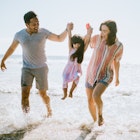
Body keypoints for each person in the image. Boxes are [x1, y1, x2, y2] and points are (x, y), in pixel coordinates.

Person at [0, 11, 73, 117]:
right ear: (27, 24)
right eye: (34, 24)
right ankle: (26, 119)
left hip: (41, 68)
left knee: (43, 94)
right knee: (24, 95)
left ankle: (49, 111)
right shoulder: (19, 35)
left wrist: (67, 30)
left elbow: (59, 38)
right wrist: (3, 59)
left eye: (38, 23)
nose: (37, 26)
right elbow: (12, 48)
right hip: (26, 68)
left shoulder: (43, 32)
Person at [85, 20, 123, 126]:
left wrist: (117, 78)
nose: (102, 33)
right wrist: (88, 33)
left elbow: (116, 62)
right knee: (89, 100)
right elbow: (86, 43)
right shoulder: (97, 38)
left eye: (105, 31)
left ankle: (100, 116)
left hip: (105, 75)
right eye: (101, 30)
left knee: (96, 95)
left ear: (112, 32)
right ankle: (94, 123)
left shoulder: (118, 46)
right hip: (91, 73)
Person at [61, 23, 93, 100]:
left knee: (77, 78)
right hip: (68, 69)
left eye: (78, 43)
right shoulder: (71, 49)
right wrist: (69, 29)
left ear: (81, 44)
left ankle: (71, 91)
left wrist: (89, 31)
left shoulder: (82, 51)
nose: (76, 45)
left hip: (77, 70)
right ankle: (65, 94)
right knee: (64, 81)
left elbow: (87, 41)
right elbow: (69, 37)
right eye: (74, 43)